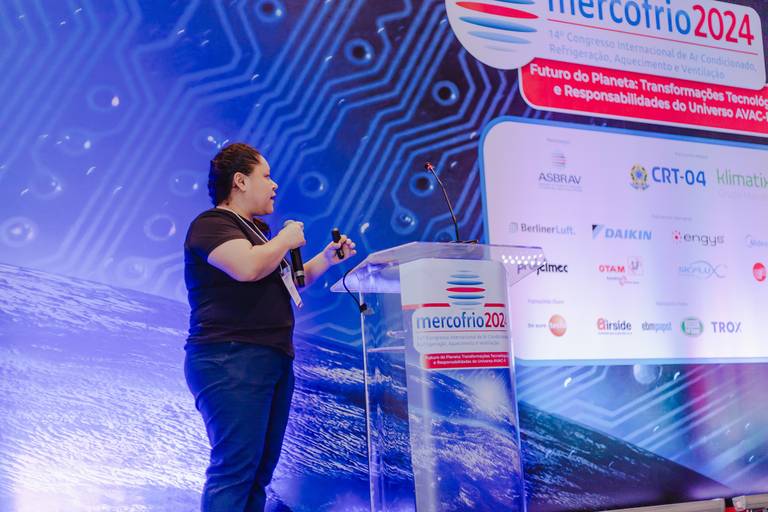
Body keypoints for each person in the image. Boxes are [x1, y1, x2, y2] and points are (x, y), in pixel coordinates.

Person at [183, 142, 356, 512]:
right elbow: (247, 268)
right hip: (231, 358)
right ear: (240, 181)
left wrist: (327, 258)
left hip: (268, 359)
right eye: (266, 175)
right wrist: (284, 239)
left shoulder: (257, 235)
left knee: (258, 471)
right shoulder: (213, 224)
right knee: (235, 468)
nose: (275, 184)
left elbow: (289, 281)